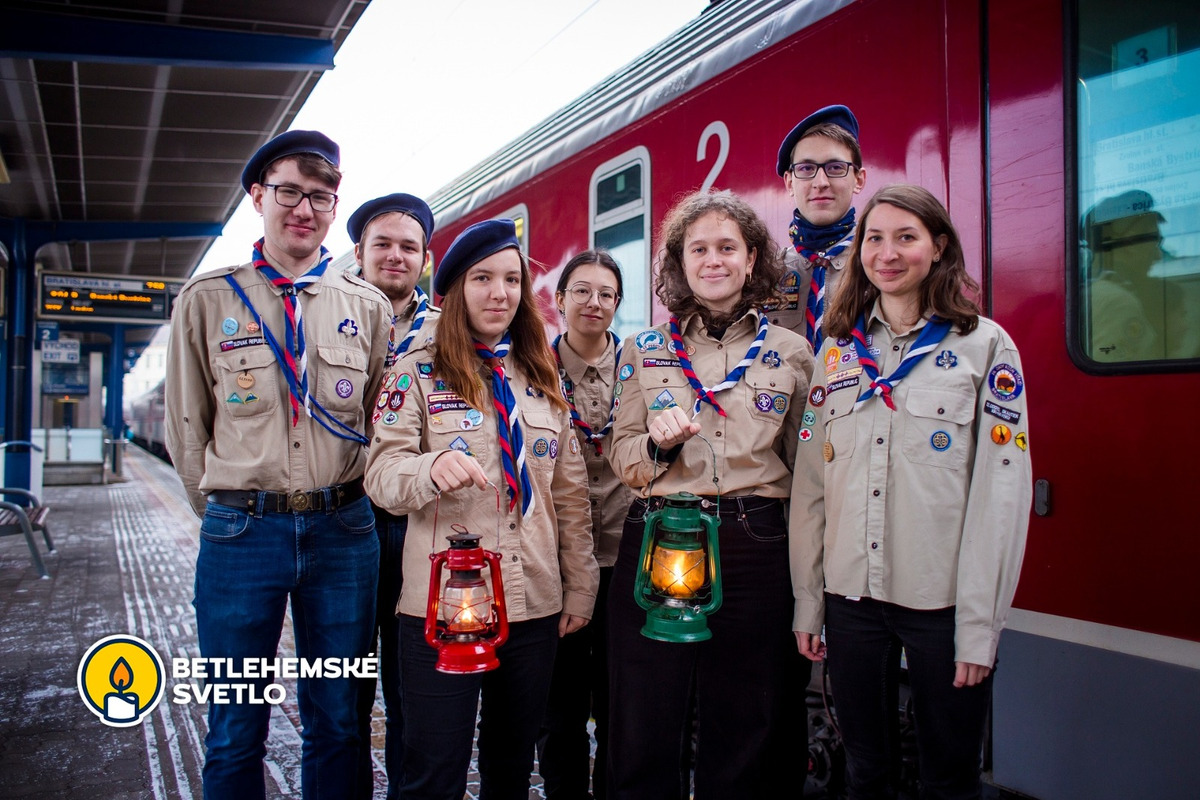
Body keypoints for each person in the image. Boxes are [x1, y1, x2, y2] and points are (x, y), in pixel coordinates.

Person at [164, 130, 393, 799]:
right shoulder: (208, 300)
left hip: (344, 533)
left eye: (321, 197)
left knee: (340, 721)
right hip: (242, 533)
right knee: (235, 726)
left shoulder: (366, 307)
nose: (305, 208)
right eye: (290, 191)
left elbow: (379, 421)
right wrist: (224, 514)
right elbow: (186, 428)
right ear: (258, 196)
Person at [789, 184, 1032, 799]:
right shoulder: (838, 353)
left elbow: (1001, 493)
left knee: (949, 779)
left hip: (943, 608)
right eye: (875, 238)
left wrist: (980, 627)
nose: (887, 253)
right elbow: (812, 488)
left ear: (938, 246)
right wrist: (809, 602)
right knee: (865, 773)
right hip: (850, 601)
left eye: (906, 237)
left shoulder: (986, 347)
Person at [363, 218, 599, 800]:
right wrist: (426, 468)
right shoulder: (417, 369)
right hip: (441, 605)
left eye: (512, 280)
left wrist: (581, 588)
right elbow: (380, 474)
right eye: (483, 279)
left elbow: (568, 497)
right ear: (455, 291)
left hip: (534, 601)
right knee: (432, 770)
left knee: (511, 767)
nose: (500, 293)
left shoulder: (542, 376)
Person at [606, 189, 815, 800]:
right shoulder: (644, 350)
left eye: (728, 247)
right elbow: (623, 458)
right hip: (660, 534)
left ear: (753, 259)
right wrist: (658, 449)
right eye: (698, 249)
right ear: (680, 262)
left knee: (748, 722)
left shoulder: (792, 353)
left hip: (756, 542)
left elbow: (806, 473)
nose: (713, 260)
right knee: (643, 720)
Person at [347, 192, 440, 800]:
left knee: (413, 683)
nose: (395, 255)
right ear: (359, 252)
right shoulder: (327, 315)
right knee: (345, 686)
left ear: (425, 258)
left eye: (409, 246)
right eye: (382, 243)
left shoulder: (448, 328)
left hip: (417, 520)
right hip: (345, 521)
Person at [537, 250, 635, 800]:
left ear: (617, 304)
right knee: (561, 709)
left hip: (627, 560)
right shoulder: (534, 371)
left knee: (623, 704)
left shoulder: (643, 367)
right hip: (558, 564)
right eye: (582, 291)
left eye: (606, 294)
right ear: (561, 298)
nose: (594, 303)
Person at [770, 104, 868, 351]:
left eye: (835, 168)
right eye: (806, 169)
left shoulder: (879, 264)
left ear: (858, 179)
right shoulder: (766, 274)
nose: (820, 182)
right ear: (789, 182)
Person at [1082, 189, 1200, 361]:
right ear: (1129, 243)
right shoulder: (1118, 302)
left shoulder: (1102, 291)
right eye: (1154, 240)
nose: (1158, 255)